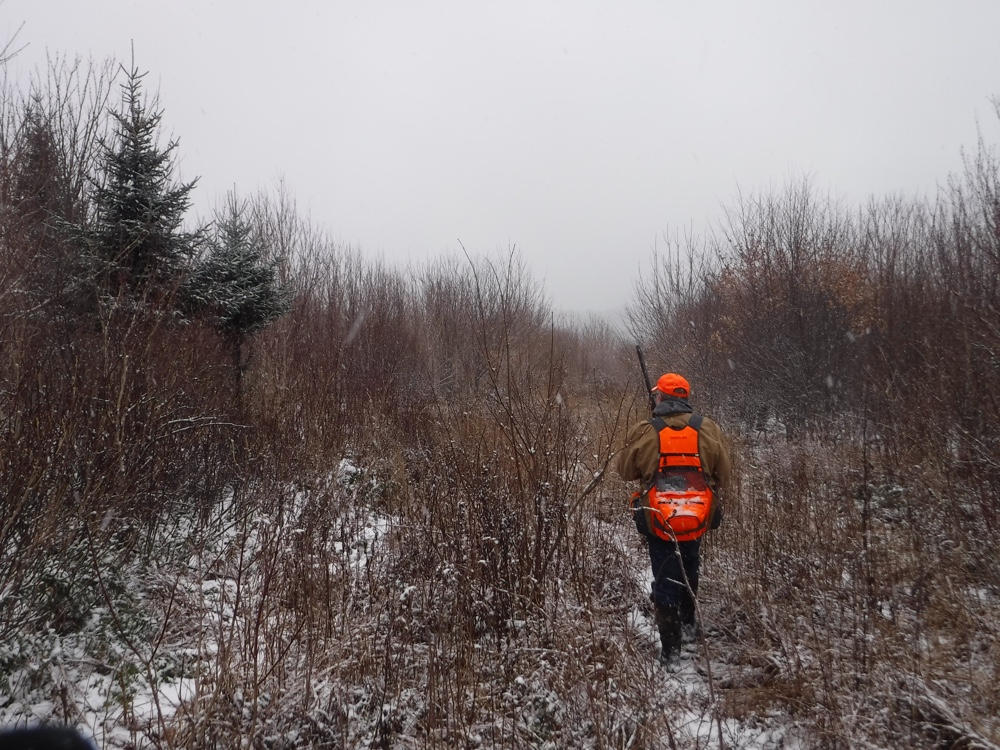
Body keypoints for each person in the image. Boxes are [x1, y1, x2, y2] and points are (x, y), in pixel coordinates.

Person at [616, 372, 732, 664]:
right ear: (685, 398)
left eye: (657, 395)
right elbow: (724, 476)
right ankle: (689, 622)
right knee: (690, 564)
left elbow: (625, 471)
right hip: (697, 515)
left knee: (665, 572)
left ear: (661, 398)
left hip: (658, 517)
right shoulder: (708, 428)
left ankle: (671, 650)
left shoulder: (645, 429)